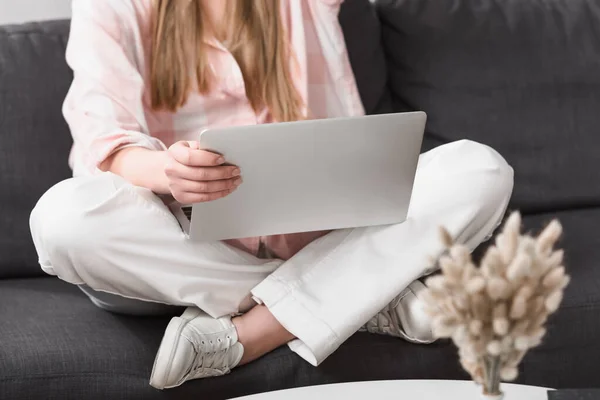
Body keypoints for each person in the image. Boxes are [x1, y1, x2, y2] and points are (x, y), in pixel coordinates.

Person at [29, 0, 514, 390]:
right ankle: (365, 293)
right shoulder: (114, 7)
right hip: (185, 248)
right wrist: (167, 171)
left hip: (322, 232)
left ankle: (251, 334)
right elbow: (106, 142)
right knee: (62, 221)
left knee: (480, 169)